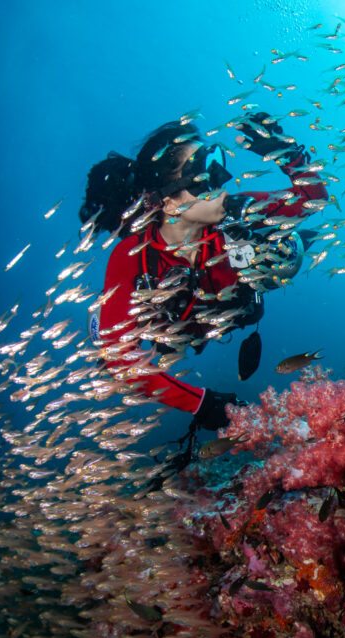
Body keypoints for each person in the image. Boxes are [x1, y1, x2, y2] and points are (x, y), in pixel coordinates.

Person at [79, 112, 328, 432]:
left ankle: (260, 268)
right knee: (107, 341)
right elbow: (119, 359)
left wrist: (286, 152)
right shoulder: (131, 257)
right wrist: (200, 402)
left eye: (218, 162)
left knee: (285, 248)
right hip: (167, 331)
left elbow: (312, 199)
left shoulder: (236, 215)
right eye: (201, 172)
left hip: (223, 311)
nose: (222, 178)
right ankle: (107, 319)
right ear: (168, 203)